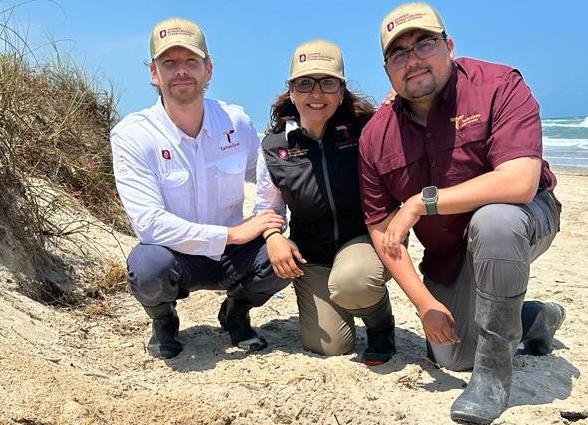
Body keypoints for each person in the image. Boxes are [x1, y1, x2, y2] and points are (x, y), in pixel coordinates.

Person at [359, 2, 565, 425]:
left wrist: (421, 201)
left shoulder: (498, 84)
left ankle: (493, 377)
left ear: (449, 46)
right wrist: (423, 304)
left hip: (522, 221)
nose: (413, 59)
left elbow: (519, 182)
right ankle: (533, 317)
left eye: (424, 44)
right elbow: (384, 232)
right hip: (448, 254)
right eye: (398, 54)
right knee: (451, 355)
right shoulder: (375, 137)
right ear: (387, 71)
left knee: (495, 220)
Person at [110, 17, 288, 359]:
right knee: (146, 268)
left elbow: (268, 181)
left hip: (231, 256)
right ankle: (163, 320)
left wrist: (271, 229)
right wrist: (231, 234)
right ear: (153, 73)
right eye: (169, 63)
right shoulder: (132, 135)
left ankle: (235, 313)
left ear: (208, 69)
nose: (181, 71)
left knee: (282, 256)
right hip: (174, 254)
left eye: (191, 61)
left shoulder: (235, 121)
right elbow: (148, 223)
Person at [254, 40, 396, 365]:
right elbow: (267, 206)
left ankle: (380, 324)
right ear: (291, 91)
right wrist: (273, 236)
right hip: (312, 256)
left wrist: (396, 102)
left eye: (327, 83)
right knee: (332, 346)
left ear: (341, 91)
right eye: (305, 83)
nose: (316, 93)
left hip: (361, 242)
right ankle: (348, 300)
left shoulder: (364, 130)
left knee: (353, 282)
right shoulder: (274, 147)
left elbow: (405, 124)